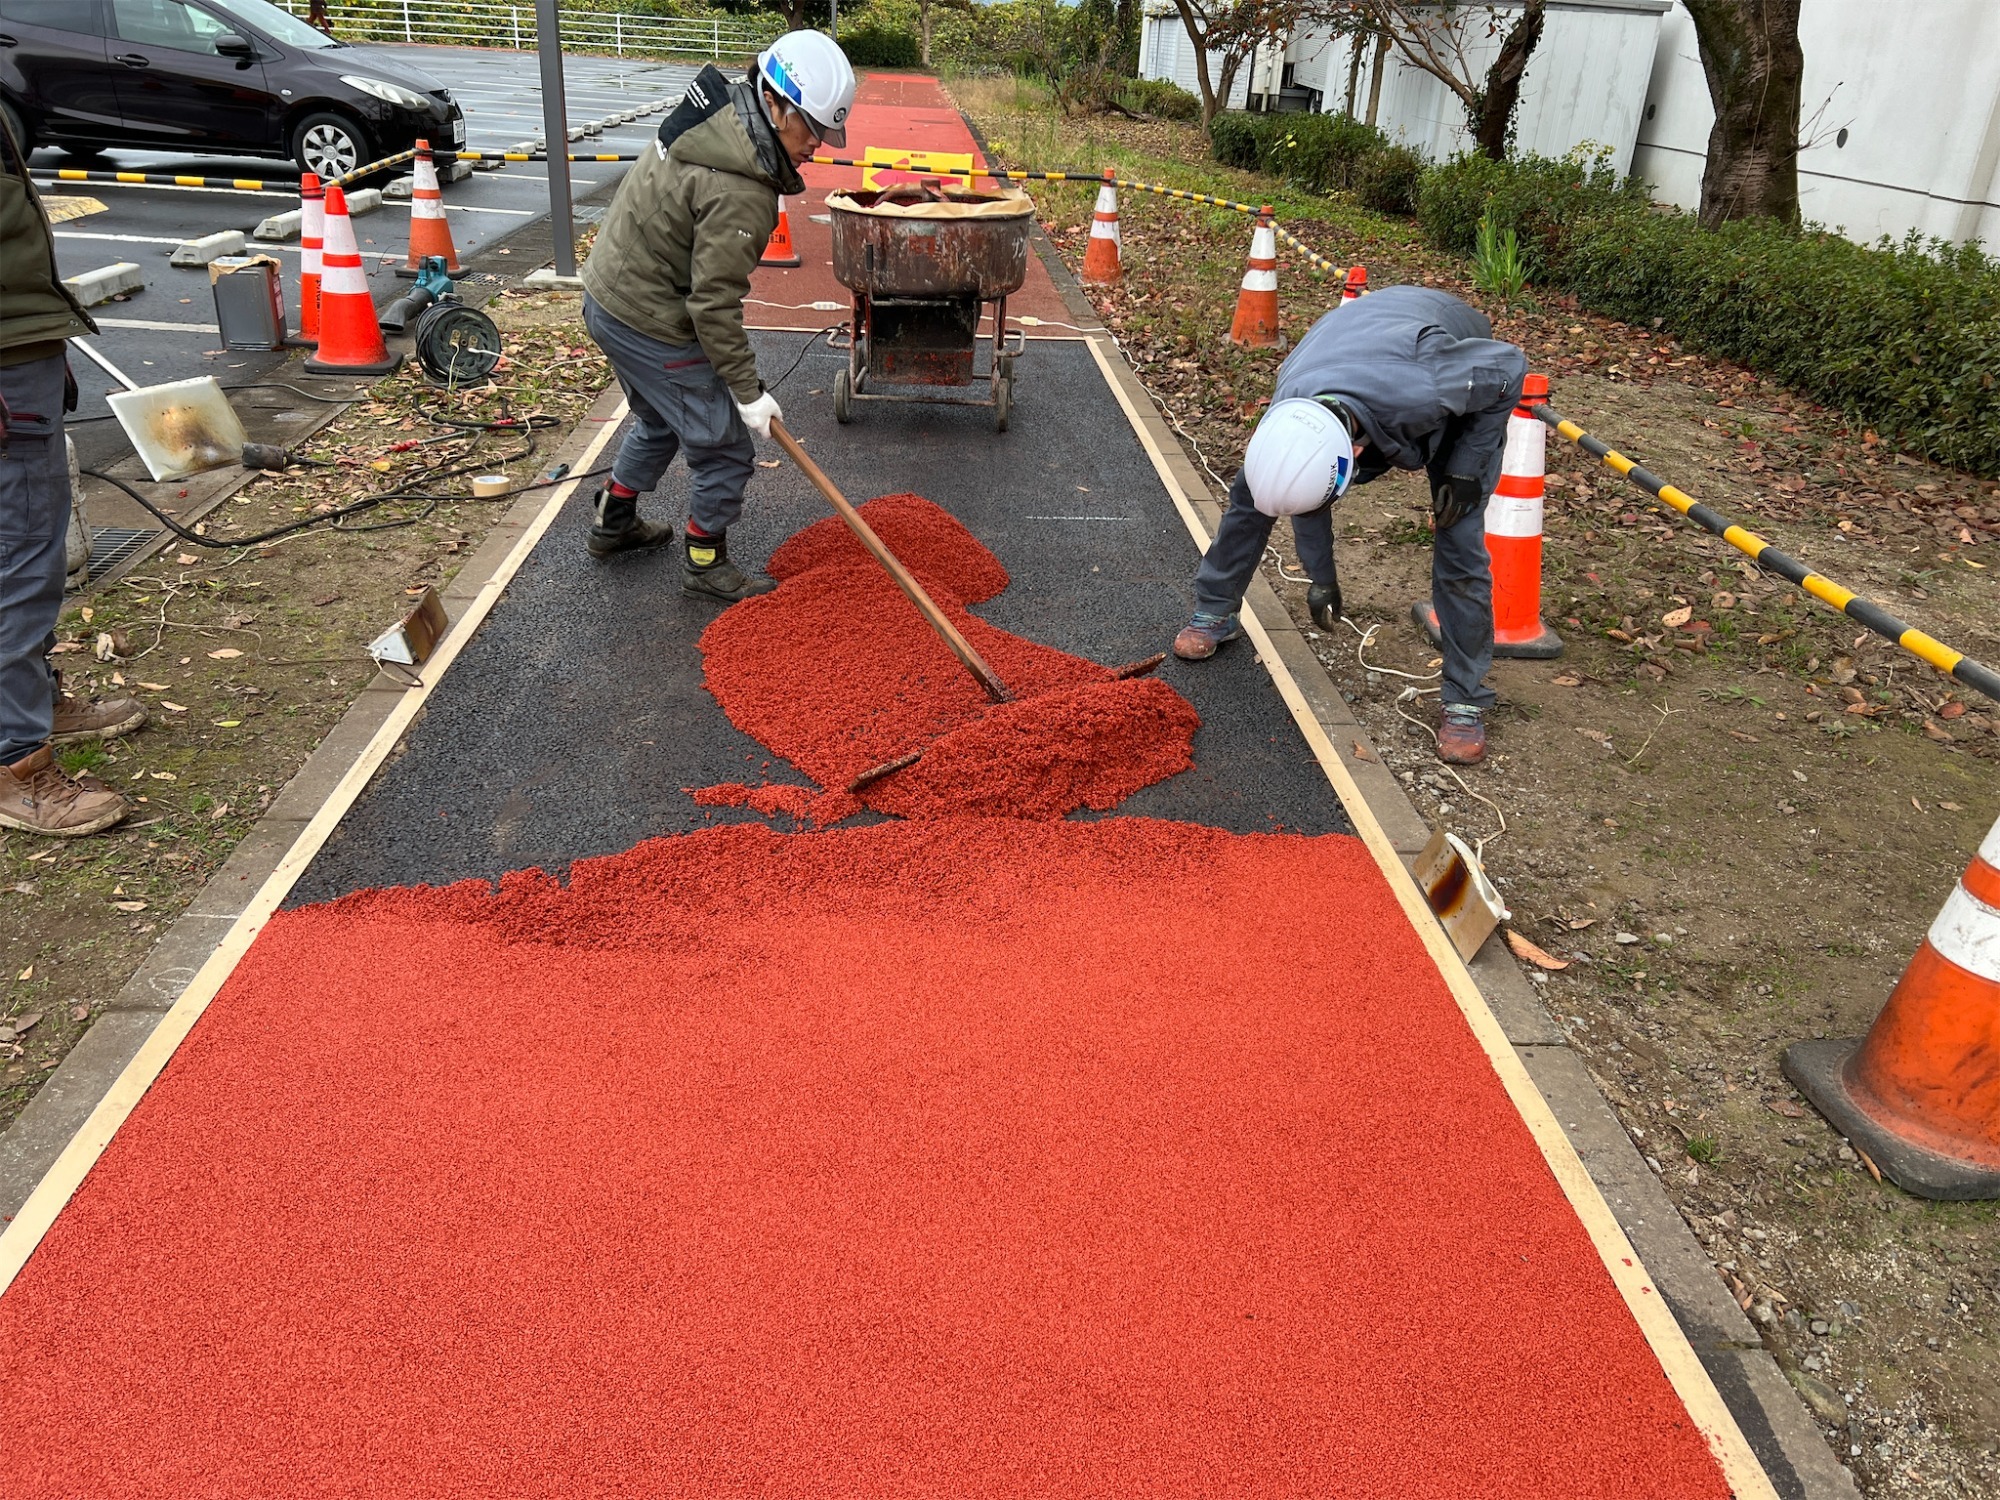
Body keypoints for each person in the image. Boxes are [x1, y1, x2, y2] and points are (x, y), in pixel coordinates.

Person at [1171, 285, 1527, 766]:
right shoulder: (1293, 407)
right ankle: (1214, 609)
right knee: (1251, 494)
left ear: (1356, 454)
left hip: (1450, 355)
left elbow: (1507, 366)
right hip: (1353, 348)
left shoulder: (1428, 386)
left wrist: (1467, 465)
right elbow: (1303, 491)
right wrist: (1322, 579)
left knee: (1460, 540)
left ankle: (1464, 701)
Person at [578, 30, 855, 602]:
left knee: (659, 418)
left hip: (610, 294)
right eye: (814, 128)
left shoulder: (724, 113)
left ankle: (614, 519)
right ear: (776, 105)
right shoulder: (740, 188)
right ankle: (705, 561)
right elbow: (712, 304)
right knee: (724, 445)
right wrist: (748, 392)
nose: (820, 145)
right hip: (651, 317)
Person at [2, 111, 147, 837]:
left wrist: (44, 333)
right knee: (19, 562)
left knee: (30, 553)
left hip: (21, 342)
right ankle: (15, 763)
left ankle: (36, 700)